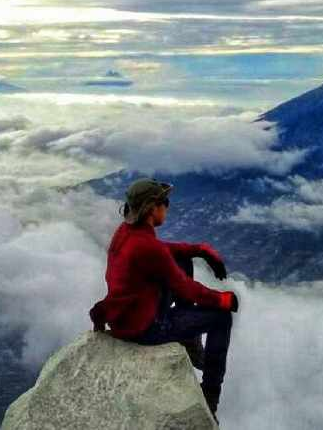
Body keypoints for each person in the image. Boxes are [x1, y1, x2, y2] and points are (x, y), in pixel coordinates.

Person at [89, 178, 239, 419]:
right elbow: (186, 288)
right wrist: (223, 300)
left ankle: (189, 342)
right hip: (144, 328)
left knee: (182, 260)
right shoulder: (147, 247)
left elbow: (162, 251)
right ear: (152, 209)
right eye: (165, 202)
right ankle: (211, 397)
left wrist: (199, 250)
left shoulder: (127, 233)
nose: (167, 207)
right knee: (221, 319)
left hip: (129, 314)